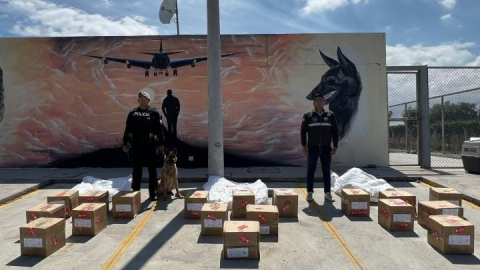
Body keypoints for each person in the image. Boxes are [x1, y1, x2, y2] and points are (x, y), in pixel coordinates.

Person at [123, 91, 165, 201]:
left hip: (150, 145)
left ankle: (153, 193)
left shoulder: (154, 113)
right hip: (137, 145)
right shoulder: (133, 113)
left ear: (148, 100)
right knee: (137, 170)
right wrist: (125, 143)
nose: (142, 100)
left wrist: (161, 143)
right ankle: (135, 192)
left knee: (152, 170)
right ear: (138, 100)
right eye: (140, 98)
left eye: (144, 98)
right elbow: (128, 129)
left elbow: (159, 130)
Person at [300, 93, 339, 202]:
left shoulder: (330, 115)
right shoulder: (308, 116)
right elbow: (303, 132)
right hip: (312, 148)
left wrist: (335, 146)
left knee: (326, 171)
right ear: (313, 103)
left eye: (321, 100)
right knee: (311, 171)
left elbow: (335, 131)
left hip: (326, 148)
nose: (319, 102)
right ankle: (309, 193)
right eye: (317, 100)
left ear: (324, 102)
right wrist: (304, 147)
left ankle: (327, 193)